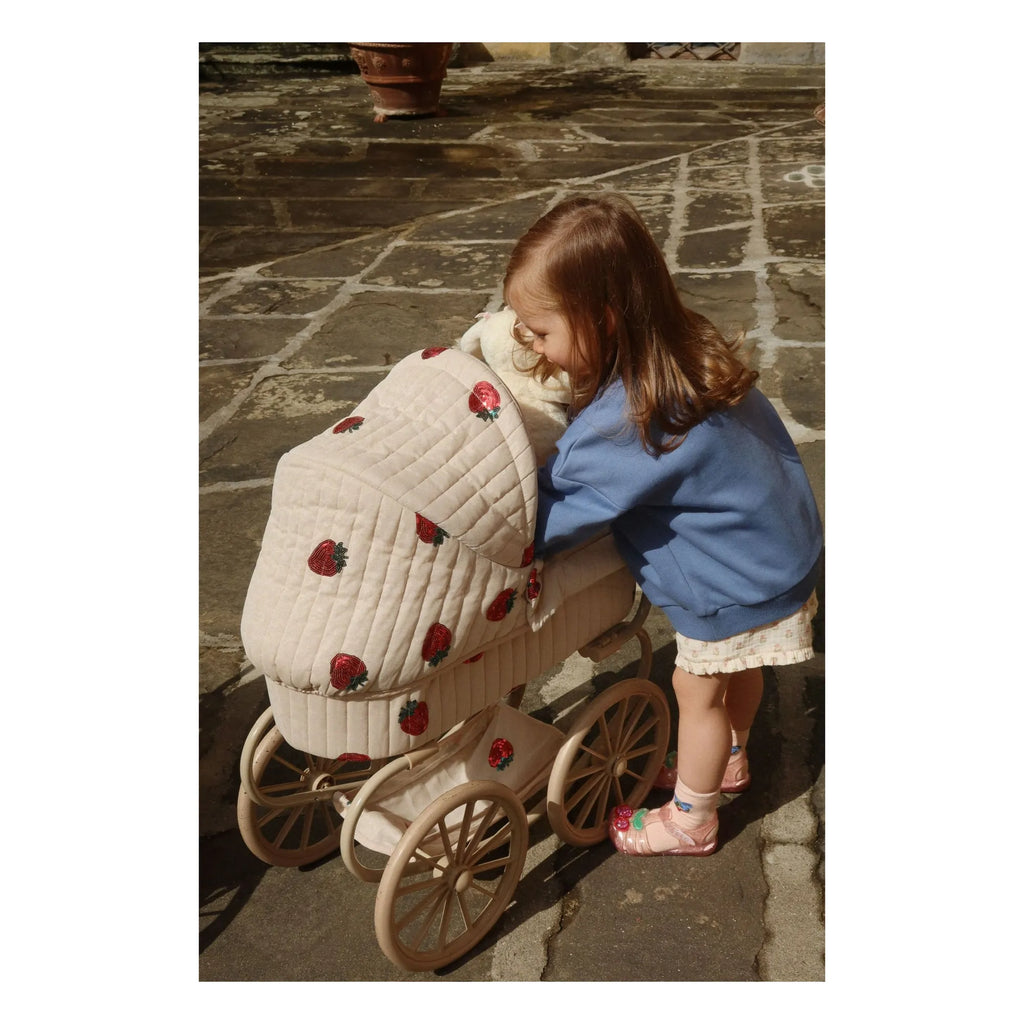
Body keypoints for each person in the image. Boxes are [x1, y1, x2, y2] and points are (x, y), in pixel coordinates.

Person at [503, 193, 822, 857]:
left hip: (728, 582)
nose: (529, 343)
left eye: (540, 331)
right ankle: (728, 760)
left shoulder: (628, 420)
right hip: (780, 556)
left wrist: (505, 531)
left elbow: (552, 519)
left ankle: (692, 820)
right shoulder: (684, 349)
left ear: (604, 319)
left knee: (694, 689)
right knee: (741, 667)